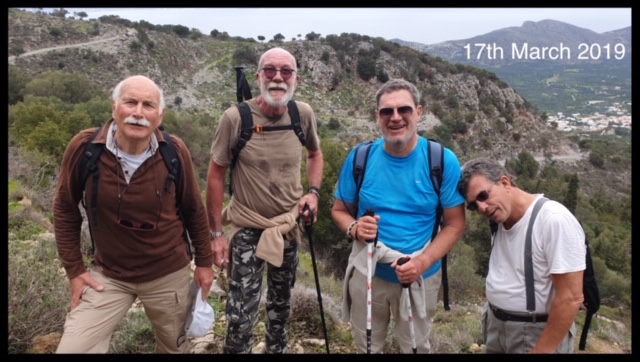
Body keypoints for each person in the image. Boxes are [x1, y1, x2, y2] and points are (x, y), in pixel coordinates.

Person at [53, 75, 214, 353]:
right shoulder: (85, 149)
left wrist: (204, 263)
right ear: (114, 108)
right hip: (109, 275)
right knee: (74, 347)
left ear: (159, 115)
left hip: (167, 273)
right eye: (130, 102)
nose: (138, 112)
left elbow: (193, 210)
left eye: (148, 105)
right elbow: (65, 208)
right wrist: (75, 270)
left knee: (174, 348)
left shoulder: (173, 152)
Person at [331, 78, 466, 354]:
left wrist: (422, 262)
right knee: (367, 346)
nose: (395, 118)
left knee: (415, 347)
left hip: (420, 277)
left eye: (403, 109)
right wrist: (355, 228)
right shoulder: (360, 158)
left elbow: (455, 224)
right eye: (386, 112)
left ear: (418, 112)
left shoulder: (441, 161)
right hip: (367, 274)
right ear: (377, 117)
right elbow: (339, 210)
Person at [206, 47, 323, 354]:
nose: (277, 78)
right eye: (270, 70)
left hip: (288, 226)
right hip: (247, 228)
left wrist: (313, 191)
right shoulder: (236, 118)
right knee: (240, 315)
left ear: (295, 78)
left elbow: (315, 153)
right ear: (258, 77)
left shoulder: (302, 114)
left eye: (286, 71)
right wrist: (216, 234)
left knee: (281, 308)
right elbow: (215, 175)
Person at [457, 157, 585, 353]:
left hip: (534, 333)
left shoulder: (553, 220)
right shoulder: (499, 220)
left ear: (505, 182)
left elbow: (571, 297)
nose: (481, 208)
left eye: (483, 195)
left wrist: (542, 350)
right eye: (473, 205)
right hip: (495, 326)